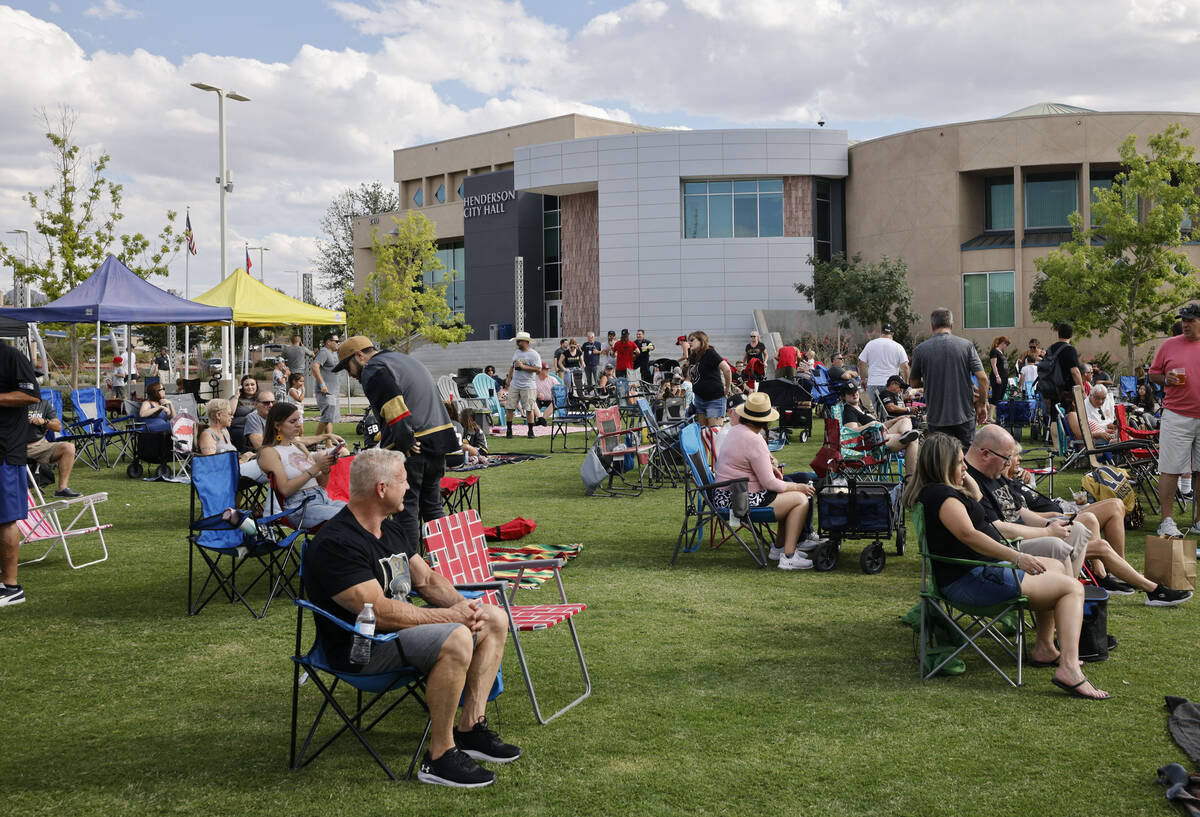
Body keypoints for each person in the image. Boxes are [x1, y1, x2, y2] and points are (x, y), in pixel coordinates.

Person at [301, 448, 519, 787]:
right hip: (362, 647)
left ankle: (469, 729)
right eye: (403, 481)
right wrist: (452, 618)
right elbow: (379, 611)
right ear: (381, 488)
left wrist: (467, 608)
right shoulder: (337, 543)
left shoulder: (390, 530)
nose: (409, 488)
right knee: (456, 636)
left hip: (400, 635)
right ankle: (439, 756)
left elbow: (427, 580)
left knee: (493, 618)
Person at [902, 433, 1111, 700]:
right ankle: (1069, 669)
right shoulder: (943, 498)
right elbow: (971, 536)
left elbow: (977, 503)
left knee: (1056, 568)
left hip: (976, 574)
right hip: (971, 580)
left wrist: (964, 477)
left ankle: (1046, 648)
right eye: (958, 463)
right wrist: (1017, 558)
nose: (965, 466)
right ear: (942, 465)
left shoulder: (946, 491)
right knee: (1071, 588)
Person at [1001, 441, 1191, 606]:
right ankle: (1115, 578)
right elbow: (1022, 516)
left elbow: (1025, 506)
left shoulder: (1013, 482)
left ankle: (1116, 575)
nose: (1019, 460)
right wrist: (1058, 515)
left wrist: (1027, 479)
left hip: (1058, 514)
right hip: (1053, 523)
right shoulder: (1003, 487)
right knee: (1101, 514)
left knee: (1115, 507)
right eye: (1015, 456)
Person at [334, 336, 459, 546]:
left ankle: (410, 572)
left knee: (405, 509)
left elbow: (393, 406)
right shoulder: (402, 360)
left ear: (359, 356)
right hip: (437, 441)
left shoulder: (373, 368)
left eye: (348, 367)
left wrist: (404, 441)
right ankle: (445, 563)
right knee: (433, 506)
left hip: (413, 445)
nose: (351, 374)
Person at [712, 393, 818, 571]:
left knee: (790, 495)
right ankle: (789, 556)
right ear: (765, 421)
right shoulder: (754, 439)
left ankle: (779, 548)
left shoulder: (735, 430)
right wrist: (799, 487)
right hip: (741, 500)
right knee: (800, 499)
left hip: (728, 495)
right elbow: (770, 483)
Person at [1149, 302, 1200, 537]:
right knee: (1170, 469)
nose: (1185, 324)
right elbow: (1153, 374)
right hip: (1176, 415)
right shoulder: (1169, 345)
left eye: (1191, 320)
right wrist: (1166, 379)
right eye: (1184, 320)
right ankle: (1167, 520)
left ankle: (1199, 521)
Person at [256, 402, 345, 530]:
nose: (298, 424)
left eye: (299, 420)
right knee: (350, 518)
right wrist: (315, 467)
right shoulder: (269, 452)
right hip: (300, 508)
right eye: (292, 421)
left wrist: (325, 470)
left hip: (321, 499)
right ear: (277, 425)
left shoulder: (297, 446)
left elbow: (321, 485)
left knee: (363, 513)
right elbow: (285, 490)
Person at [908, 307, 987, 448]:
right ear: (951, 326)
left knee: (941, 460)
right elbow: (983, 379)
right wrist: (981, 404)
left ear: (932, 326)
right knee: (967, 460)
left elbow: (913, 382)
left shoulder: (920, 350)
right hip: (964, 415)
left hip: (936, 416)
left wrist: (929, 383)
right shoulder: (966, 346)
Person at [1, 343, 40, 607]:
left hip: (4, 451)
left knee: (5, 519)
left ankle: (12, 586)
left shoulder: (10, 356)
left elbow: (32, 396)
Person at [832, 380, 920, 474]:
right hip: (873, 444)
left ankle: (905, 434)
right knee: (913, 440)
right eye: (850, 393)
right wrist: (871, 424)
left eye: (855, 391)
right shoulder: (848, 410)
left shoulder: (860, 407)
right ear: (844, 397)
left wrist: (896, 419)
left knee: (905, 419)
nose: (854, 394)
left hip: (880, 436)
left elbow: (880, 425)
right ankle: (910, 480)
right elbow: (852, 433)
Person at [25, 391, 80, 498]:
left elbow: (58, 427)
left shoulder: (44, 404)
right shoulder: (14, 404)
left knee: (69, 447)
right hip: (17, 447)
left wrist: (44, 421)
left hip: (40, 446)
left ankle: (62, 489)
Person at [1043, 323, 1086, 439]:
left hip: (1052, 387)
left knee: (1054, 417)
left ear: (1058, 333)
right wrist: (1082, 389)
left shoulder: (1050, 349)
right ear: (1071, 334)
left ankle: (1056, 445)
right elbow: (1074, 371)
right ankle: (1073, 441)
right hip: (1067, 390)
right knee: (1071, 415)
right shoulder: (1070, 349)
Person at [858, 323, 909, 417]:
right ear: (892, 334)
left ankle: (881, 428)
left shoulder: (871, 344)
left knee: (878, 413)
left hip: (874, 383)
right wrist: (905, 385)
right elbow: (905, 367)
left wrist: (863, 379)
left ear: (881, 332)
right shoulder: (898, 346)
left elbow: (861, 363)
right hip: (892, 385)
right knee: (894, 413)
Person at [687, 330, 732, 427]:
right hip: (699, 399)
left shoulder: (709, 353)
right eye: (688, 340)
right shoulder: (693, 356)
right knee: (703, 433)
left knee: (714, 433)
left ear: (701, 340)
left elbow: (727, 369)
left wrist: (727, 388)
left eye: (692, 340)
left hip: (714, 399)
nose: (689, 342)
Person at [503, 331, 541, 439]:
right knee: (510, 407)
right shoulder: (516, 352)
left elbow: (538, 369)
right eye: (517, 340)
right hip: (515, 384)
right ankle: (509, 431)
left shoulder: (534, 354)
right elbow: (512, 366)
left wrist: (524, 367)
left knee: (529, 409)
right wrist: (509, 379)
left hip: (528, 385)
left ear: (526, 341)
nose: (517, 342)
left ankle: (530, 431)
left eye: (519, 341)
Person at [311, 332, 342, 438]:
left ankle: (328, 442)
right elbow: (315, 367)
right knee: (326, 418)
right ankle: (314, 441)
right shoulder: (324, 352)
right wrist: (322, 384)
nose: (338, 343)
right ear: (328, 342)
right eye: (336, 341)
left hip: (333, 391)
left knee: (329, 418)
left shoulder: (333, 353)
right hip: (325, 391)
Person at [228, 375, 259, 451]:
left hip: (257, 428)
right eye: (246, 385)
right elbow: (230, 412)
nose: (250, 387)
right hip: (240, 429)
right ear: (242, 387)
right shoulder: (236, 398)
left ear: (256, 386)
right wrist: (236, 396)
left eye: (252, 384)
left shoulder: (261, 398)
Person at [986, 336, 1011, 421]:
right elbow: (994, 365)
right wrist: (997, 376)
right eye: (1006, 344)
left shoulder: (1001, 352)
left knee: (1000, 397)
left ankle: (997, 415)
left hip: (1004, 377)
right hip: (997, 377)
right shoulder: (994, 351)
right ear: (1002, 343)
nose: (1006, 346)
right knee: (996, 396)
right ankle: (989, 417)